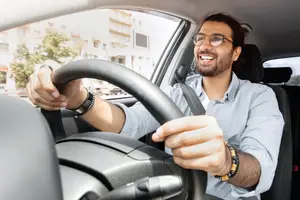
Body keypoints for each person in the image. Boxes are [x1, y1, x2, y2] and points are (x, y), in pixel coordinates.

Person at [26, 13, 284, 199]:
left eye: (217, 39)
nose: (204, 45)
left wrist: (226, 160)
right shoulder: (177, 91)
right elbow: (128, 122)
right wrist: (80, 98)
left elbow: (260, 171)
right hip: (177, 192)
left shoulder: (259, 97)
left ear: (236, 53)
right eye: (200, 38)